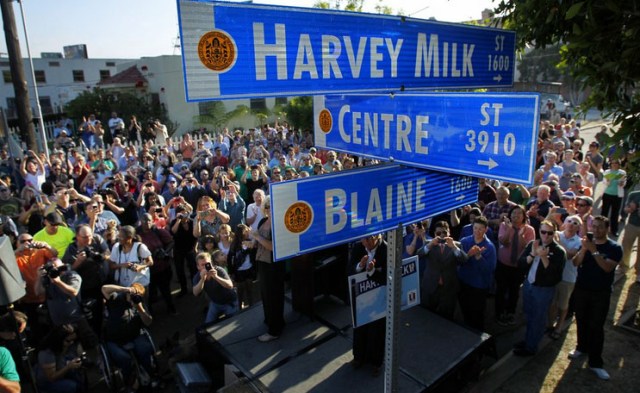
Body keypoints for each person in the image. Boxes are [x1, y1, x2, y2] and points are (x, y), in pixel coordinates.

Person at [568, 216, 623, 380]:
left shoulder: (614, 248)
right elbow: (575, 263)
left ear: (607, 229)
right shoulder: (586, 243)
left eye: (600, 227)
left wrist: (593, 251)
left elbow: (607, 267)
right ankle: (581, 347)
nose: (596, 230)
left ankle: (595, 362)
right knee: (581, 320)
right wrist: (584, 249)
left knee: (596, 326)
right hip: (582, 289)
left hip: (601, 293)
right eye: (594, 227)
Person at [513, 221, 566, 356]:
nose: (546, 236)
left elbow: (555, 276)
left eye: (550, 233)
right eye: (543, 232)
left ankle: (531, 347)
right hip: (529, 284)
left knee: (538, 318)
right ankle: (528, 340)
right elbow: (520, 263)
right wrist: (532, 255)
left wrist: (544, 258)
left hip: (543, 289)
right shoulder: (533, 244)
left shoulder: (559, 252)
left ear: (554, 234)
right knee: (529, 314)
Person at [101, 283, 154, 390]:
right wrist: (126, 289)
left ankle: (149, 375)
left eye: (137, 295)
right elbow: (104, 289)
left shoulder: (140, 304)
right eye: (132, 295)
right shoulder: (116, 299)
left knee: (145, 350)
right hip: (114, 340)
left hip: (135, 336)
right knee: (124, 358)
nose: (133, 298)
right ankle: (130, 381)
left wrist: (140, 309)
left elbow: (148, 322)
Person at [349, 233, 387, 377]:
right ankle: (358, 357)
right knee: (360, 328)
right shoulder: (358, 248)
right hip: (361, 298)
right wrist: (360, 266)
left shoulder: (386, 249)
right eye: (363, 239)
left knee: (377, 331)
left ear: (377, 237)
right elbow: (350, 269)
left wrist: (372, 272)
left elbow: (388, 276)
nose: (365, 242)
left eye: (368, 239)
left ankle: (376, 362)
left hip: (379, 298)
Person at [62, 225, 110, 334]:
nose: (88, 239)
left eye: (89, 236)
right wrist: (78, 261)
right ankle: (97, 335)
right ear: (77, 237)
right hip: (88, 286)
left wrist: (101, 257)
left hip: (103, 280)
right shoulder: (71, 250)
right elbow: (67, 270)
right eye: (84, 237)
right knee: (95, 312)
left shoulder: (96, 239)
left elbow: (108, 252)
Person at [495, 205, 536, 326]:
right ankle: (499, 313)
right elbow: (503, 242)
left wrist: (521, 235)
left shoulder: (529, 230)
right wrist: (509, 229)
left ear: (524, 216)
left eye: (519, 213)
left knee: (514, 290)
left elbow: (528, 247)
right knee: (501, 289)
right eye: (513, 213)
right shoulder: (503, 225)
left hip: (519, 266)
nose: (515, 215)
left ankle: (510, 312)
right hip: (503, 263)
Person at [252, 196, 285, 343]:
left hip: (274, 266)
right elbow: (257, 241)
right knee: (265, 294)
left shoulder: (279, 225)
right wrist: (251, 242)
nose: (269, 209)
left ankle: (275, 330)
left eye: (272, 206)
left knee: (274, 296)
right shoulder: (261, 221)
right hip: (262, 262)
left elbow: (273, 247)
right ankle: (270, 320)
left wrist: (257, 237)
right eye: (267, 207)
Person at [417, 221, 465, 320]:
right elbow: (419, 255)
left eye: (444, 233)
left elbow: (464, 260)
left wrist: (454, 247)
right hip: (431, 285)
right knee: (427, 316)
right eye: (439, 233)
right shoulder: (428, 243)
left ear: (449, 232)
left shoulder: (457, 245)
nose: (442, 236)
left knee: (447, 317)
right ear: (434, 234)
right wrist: (430, 245)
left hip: (448, 288)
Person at [458, 216, 497, 331]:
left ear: (486, 229)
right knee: (465, 310)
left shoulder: (490, 247)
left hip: (479, 287)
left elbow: (490, 270)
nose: (477, 231)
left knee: (477, 314)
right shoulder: (465, 241)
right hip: (464, 282)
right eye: (475, 228)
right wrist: (468, 255)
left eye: (480, 229)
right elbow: (458, 261)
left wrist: (479, 257)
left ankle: (476, 335)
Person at [548, 215, 582, 339]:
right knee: (552, 302)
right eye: (569, 221)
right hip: (553, 275)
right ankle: (550, 324)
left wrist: (557, 242)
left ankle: (559, 326)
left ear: (579, 227)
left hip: (568, 277)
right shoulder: (556, 233)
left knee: (563, 304)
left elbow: (568, 256)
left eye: (575, 223)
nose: (572, 224)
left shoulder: (579, 241)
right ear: (564, 223)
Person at [137, 214, 176, 315]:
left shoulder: (157, 231)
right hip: (146, 269)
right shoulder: (137, 233)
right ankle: (149, 314)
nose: (147, 223)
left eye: (149, 220)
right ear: (141, 221)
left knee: (165, 290)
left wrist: (165, 252)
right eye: (145, 221)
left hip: (161, 266)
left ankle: (171, 308)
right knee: (149, 293)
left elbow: (171, 241)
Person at [35, 324, 86, 393]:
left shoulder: (64, 346)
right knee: (72, 386)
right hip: (48, 383)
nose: (71, 343)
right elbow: (51, 378)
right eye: (68, 341)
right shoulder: (47, 354)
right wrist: (68, 367)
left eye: (73, 340)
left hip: (60, 369)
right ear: (58, 340)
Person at [192, 251, 238, 324]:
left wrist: (216, 277)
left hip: (230, 302)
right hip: (215, 303)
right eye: (202, 265)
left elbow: (230, 285)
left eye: (207, 264)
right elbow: (195, 293)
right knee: (208, 324)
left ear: (211, 263)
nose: (205, 267)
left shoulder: (219, 270)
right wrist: (202, 280)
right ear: (198, 267)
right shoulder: (198, 276)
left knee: (233, 322)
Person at [228, 224, 257, 309]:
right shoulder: (234, 245)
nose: (248, 233)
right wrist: (231, 272)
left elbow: (254, 255)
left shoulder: (249, 241)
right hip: (239, 271)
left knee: (250, 289)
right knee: (240, 290)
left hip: (249, 268)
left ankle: (251, 305)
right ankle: (240, 306)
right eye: (246, 231)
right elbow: (230, 260)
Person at [600, 159, 626, 236]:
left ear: (619, 164)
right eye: (613, 163)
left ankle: (614, 230)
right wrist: (608, 181)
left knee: (615, 213)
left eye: (616, 163)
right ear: (610, 164)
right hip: (607, 194)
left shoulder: (622, 172)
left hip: (617, 195)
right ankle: (602, 229)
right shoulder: (607, 172)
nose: (614, 164)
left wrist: (622, 183)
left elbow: (624, 183)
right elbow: (604, 182)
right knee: (604, 212)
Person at [620, 190, 640, 282]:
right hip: (632, 225)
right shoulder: (634, 194)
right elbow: (625, 210)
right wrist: (631, 208)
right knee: (626, 246)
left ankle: (638, 273)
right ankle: (623, 267)